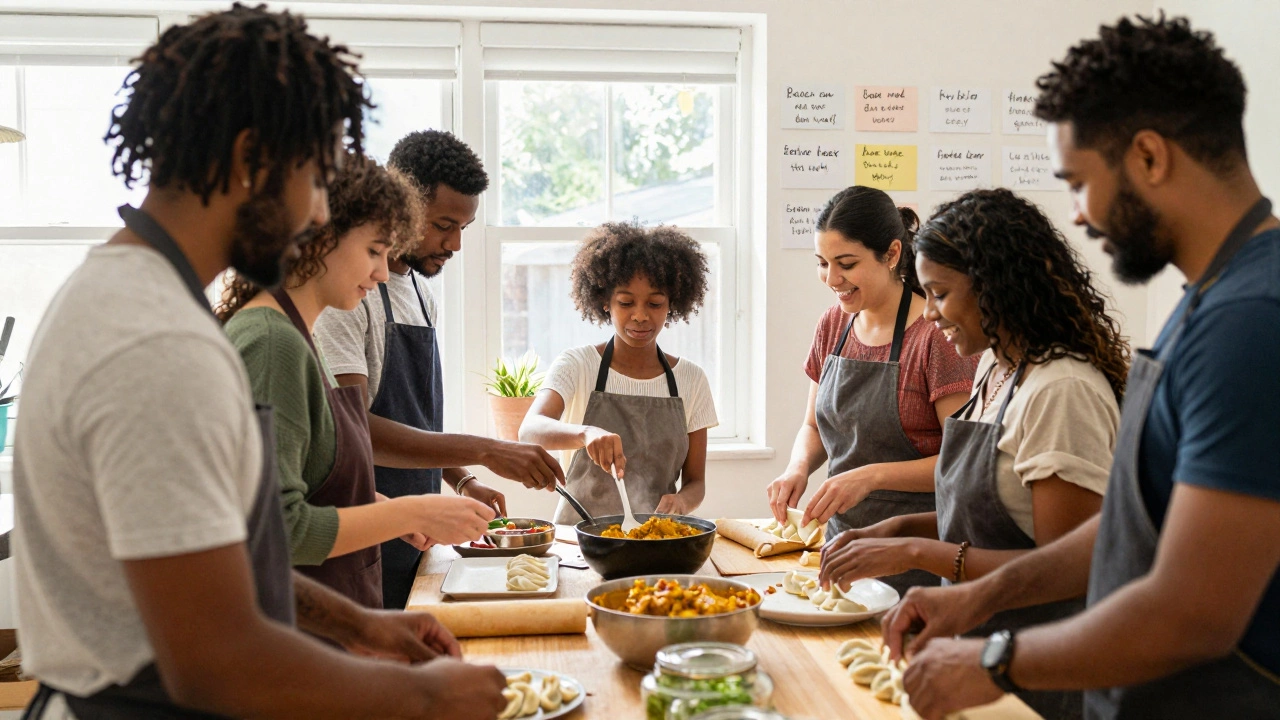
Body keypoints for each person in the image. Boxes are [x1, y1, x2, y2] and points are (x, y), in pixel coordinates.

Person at [11, 7, 505, 719]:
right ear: (251, 159)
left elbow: (222, 561)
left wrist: (358, 625)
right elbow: (215, 659)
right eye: (315, 179)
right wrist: (423, 697)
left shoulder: (130, 295)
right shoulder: (156, 340)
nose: (314, 216)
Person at [879, 16, 1280, 720]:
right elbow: (1132, 523)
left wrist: (996, 659)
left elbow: (1194, 612)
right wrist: (977, 597)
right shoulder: (1210, 301)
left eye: (1077, 182)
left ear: (1149, 156)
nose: (1078, 216)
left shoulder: (1253, 320)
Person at [820, 188, 1127, 719]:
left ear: (995, 287)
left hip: (1035, 671)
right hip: (973, 650)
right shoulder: (997, 366)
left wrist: (917, 554)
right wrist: (897, 530)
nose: (931, 313)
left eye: (940, 293)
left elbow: (1065, 567)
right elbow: (993, 516)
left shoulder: (1060, 390)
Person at [218, 154, 496, 608]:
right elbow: (275, 527)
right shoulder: (272, 343)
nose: (384, 273)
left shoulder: (295, 335)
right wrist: (408, 509)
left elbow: (311, 481)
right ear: (319, 234)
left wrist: (383, 507)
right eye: (374, 251)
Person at [314, 130, 564, 610]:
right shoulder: (351, 295)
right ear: (402, 204)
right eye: (444, 225)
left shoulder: (422, 294)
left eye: (463, 230)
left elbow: (415, 419)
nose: (454, 245)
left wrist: (462, 478)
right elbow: (353, 428)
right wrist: (491, 449)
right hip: (362, 539)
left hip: (416, 540)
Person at [766, 185, 978, 593]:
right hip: (844, 549)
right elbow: (813, 427)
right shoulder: (833, 324)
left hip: (919, 559)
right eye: (822, 263)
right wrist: (797, 469)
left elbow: (962, 463)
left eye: (846, 263)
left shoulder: (935, 338)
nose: (832, 279)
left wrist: (871, 476)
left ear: (893, 254)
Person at [519, 221, 718, 523]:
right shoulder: (577, 364)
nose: (640, 315)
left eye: (654, 303)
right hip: (578, 541)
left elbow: (696, 483)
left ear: (672, 304)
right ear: (604, 302)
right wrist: (585, 434)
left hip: (655, 539)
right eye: (626, 302)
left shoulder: (690, 379)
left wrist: (681, 501)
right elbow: (529, 430)